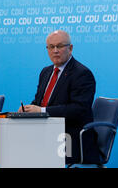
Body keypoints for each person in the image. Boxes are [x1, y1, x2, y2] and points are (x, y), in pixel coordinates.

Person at [19, 30, 100, 165]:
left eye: (60, 46)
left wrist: (42, 111)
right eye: (51, 47)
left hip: (70, 136)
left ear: (70, 48)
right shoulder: (45, 72)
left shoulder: (82, 74)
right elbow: (39, 102)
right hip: (45, 132)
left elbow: (78, 110)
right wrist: (27, 109)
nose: (55, 50)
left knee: (29, 153)